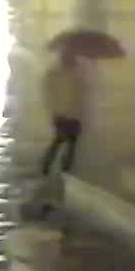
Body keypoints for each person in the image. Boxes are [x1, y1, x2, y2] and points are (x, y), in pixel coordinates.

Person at [40, 44, 93, 183]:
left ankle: (47, 167)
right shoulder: (77, 75)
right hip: (72, 115)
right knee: (69, 144)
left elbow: (48, 91)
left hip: (61, 115)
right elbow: (82, 94)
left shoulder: (54, 73)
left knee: (60, 141)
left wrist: (53, 110)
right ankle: (63, 170)